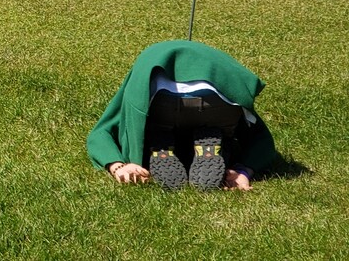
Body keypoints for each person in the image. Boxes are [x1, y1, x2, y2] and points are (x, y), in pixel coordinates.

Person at [87, 40, 277, 191]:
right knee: (221, 131)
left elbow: (100, 133)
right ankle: (219, 147)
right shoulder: (213, 58)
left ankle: (160, 146)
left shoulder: (140, 72)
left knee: (155, 128)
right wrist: (244, 171)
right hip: (220, 99)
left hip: (161, 99)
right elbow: (262, 139)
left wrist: (118, 166)